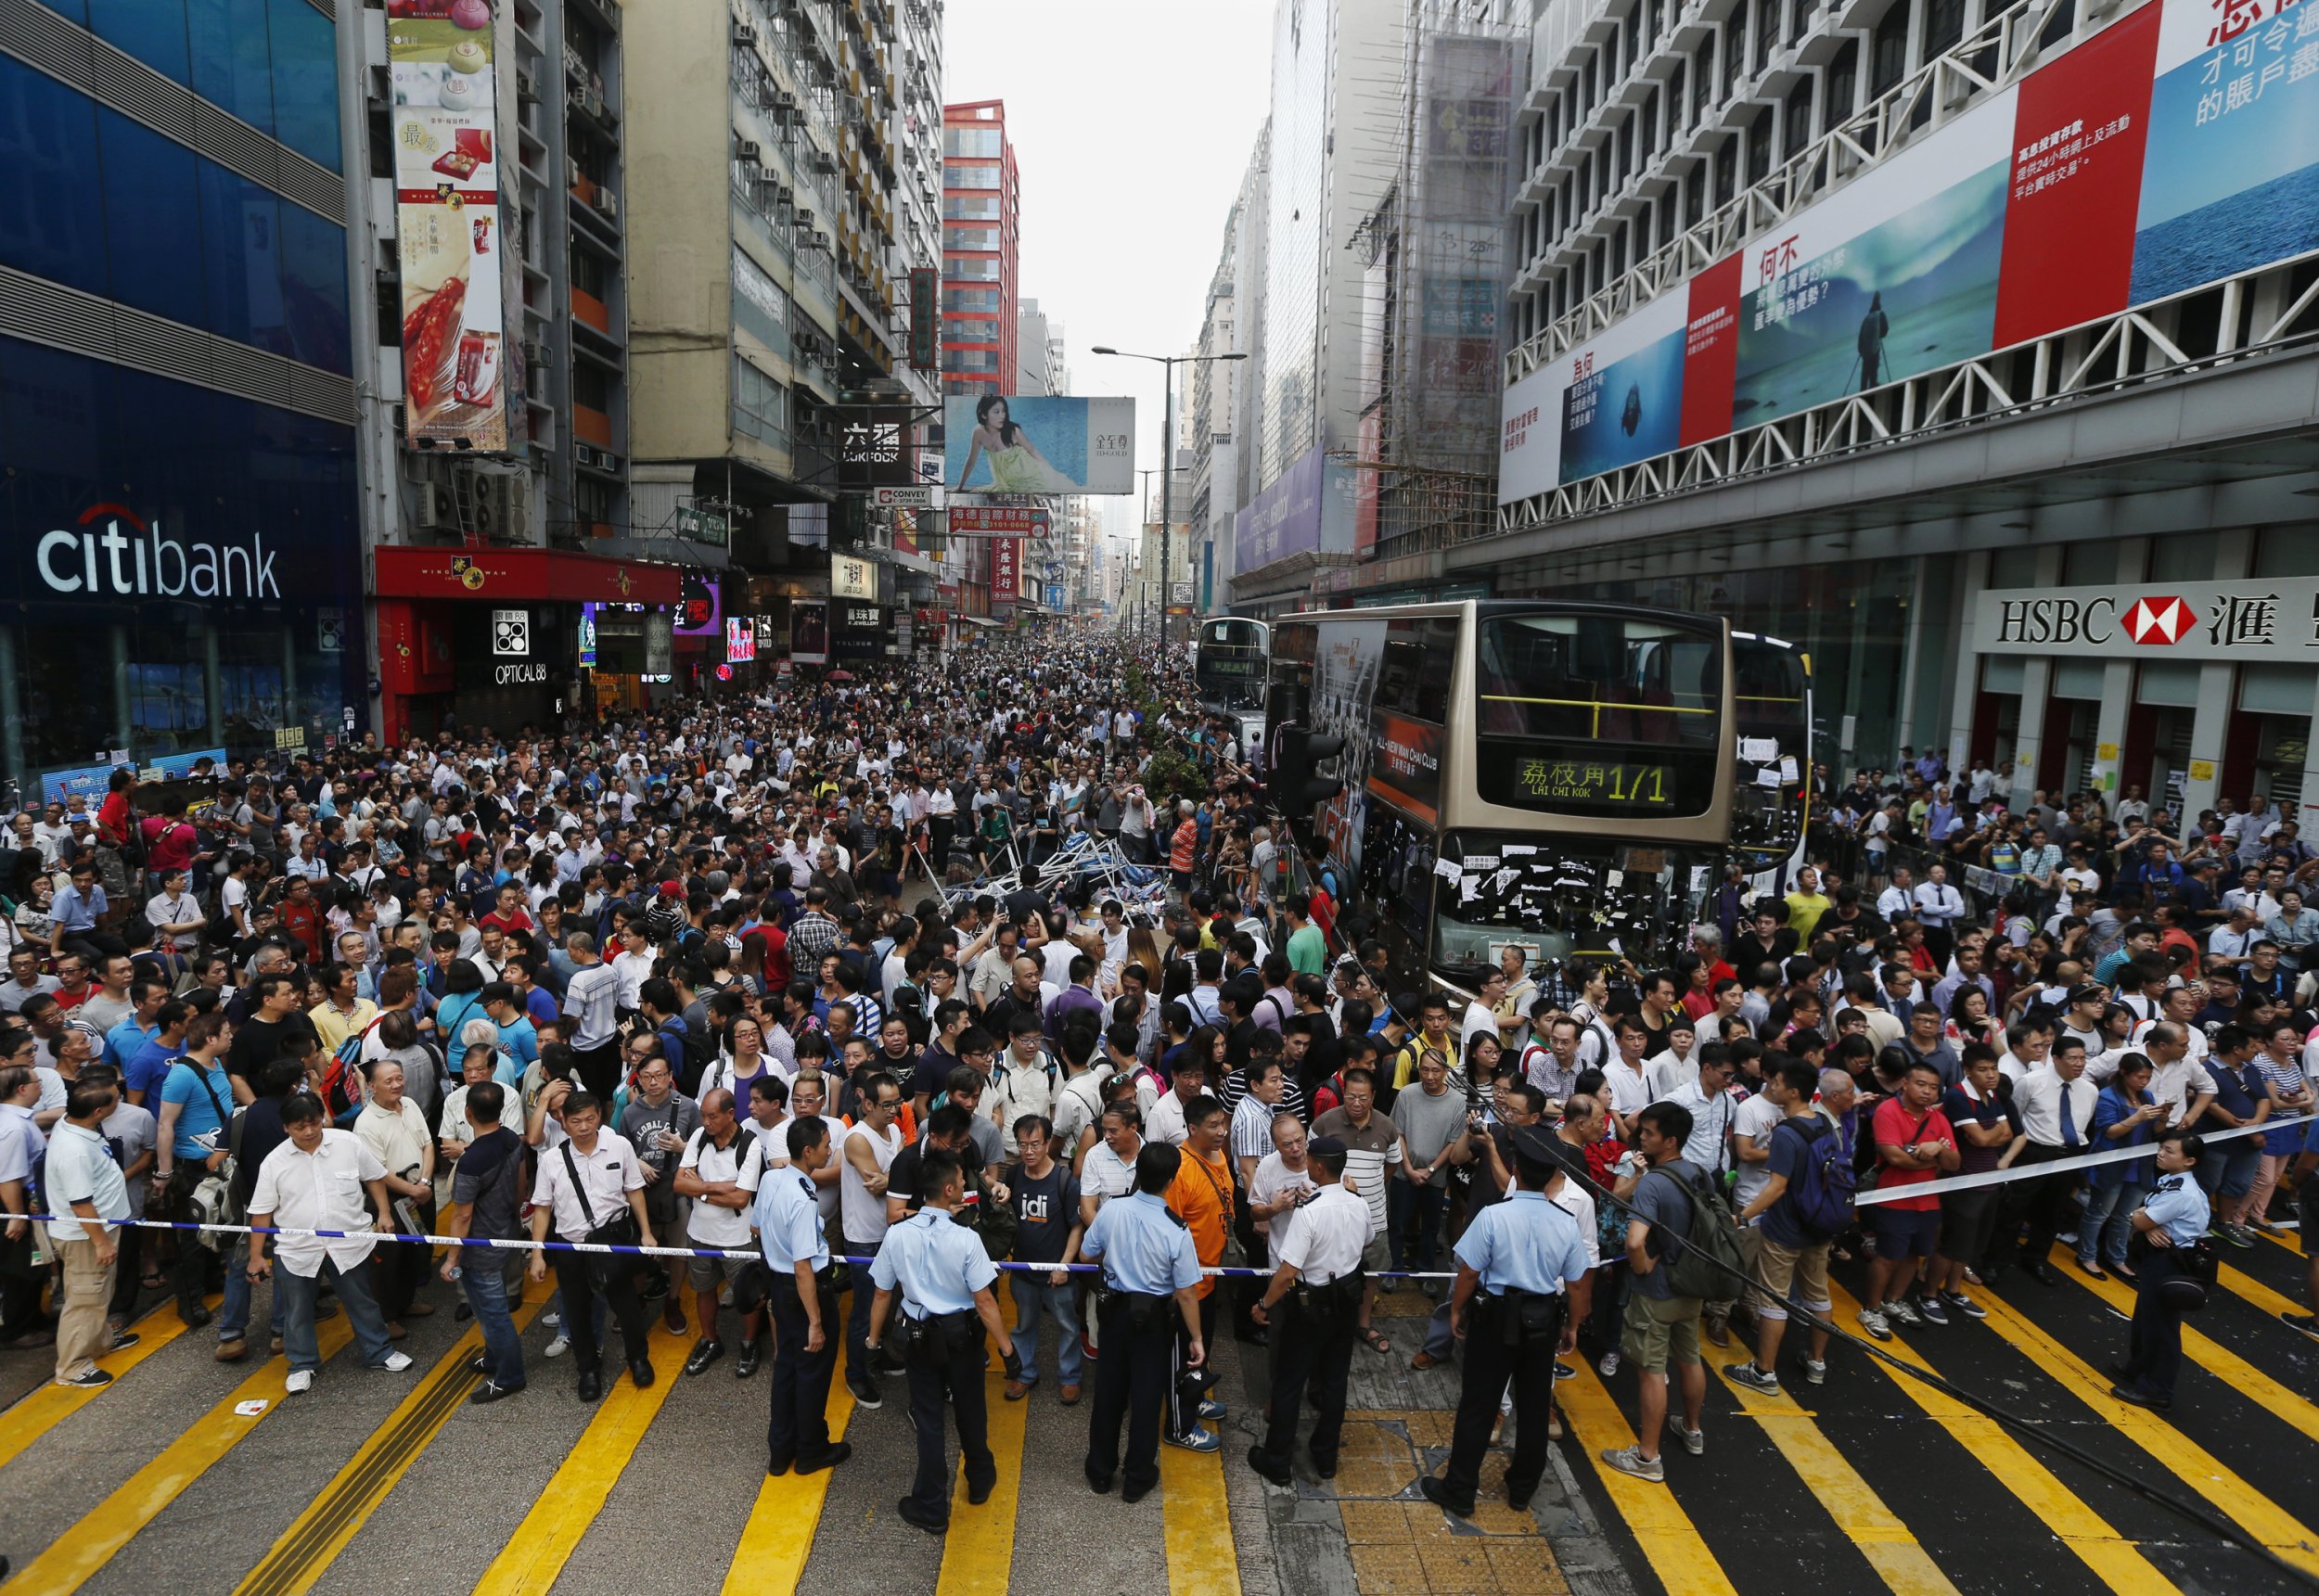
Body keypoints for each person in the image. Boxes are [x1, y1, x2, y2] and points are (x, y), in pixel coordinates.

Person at [1417, 1125, 1592, 1517]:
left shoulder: (1494, 1216)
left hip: (1495, 1316)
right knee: (1533, 1407)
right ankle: (1521, 1490)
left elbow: (1468, 1272)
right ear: (1552, 1174)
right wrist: (1573, 1325)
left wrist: (1458, 1310)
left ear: (1514, 1167)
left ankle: (1460, 1488)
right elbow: (1579, 1284)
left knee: (1479, 1404)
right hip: (1543, 1318)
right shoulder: (1566, 1222)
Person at [865, 1147, 1019, 1534]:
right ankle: (980, 1479)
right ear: (949, 1189)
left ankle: (932, 1505)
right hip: (963, 1339)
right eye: (962, 1182)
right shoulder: (967, 1240)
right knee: (971, 1411)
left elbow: (882, 1294)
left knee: (930, 1421)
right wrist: (1007, 1349)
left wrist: (871, 1342)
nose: (967, 1185)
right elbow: (984, 1301)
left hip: (918, 1340)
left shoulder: (897, 1235)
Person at [243, 1092, 416, 1395]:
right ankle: (301, 1364)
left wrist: (385, 1212)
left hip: (349, 1245)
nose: (309, 1132)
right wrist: (256, 1256)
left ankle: (378, 1352)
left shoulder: (347, 1144)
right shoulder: (274, 1163)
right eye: (299, 1127)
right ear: (286, 1128)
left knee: (363, 1301)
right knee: (296, 1311)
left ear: (323, 1117)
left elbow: (374, 1176)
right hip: (297, 1251)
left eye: (314, 1123)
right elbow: (261, 1213)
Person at [1080, 1142, 1208, 1501]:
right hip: (1154, 1321)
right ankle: (1137, 1478)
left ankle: (1100, 1471)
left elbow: (1087, 1253)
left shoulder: (1112, 1211)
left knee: (1108, 1393)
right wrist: (1196, 1337)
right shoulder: (1176, 1230)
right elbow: (1185, 1292)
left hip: (1114, 1312)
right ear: (1171, 1179)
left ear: (1138, 1172)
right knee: (1148, 1398)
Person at [1246, 1132, 1368, 1487]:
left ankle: (1278, 1459)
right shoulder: (1358, 1203)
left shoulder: (1309, 1212)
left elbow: (1287, 1273)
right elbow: (1369, 1240)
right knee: (1334, 1381)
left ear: (1316, 1166)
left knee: (1288, 1382)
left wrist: (1262, 1304)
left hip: (1310, 1305)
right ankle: (1326, 1457)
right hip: (1346, 1302)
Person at [526, 1089, 659, 1402]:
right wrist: (537, 1254)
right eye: (576, 1121)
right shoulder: (552, 1159)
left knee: (627, 1306)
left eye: (590, 1119)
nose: (584, 1126)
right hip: (571, 1247)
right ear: (563, 1122)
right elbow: (542, 1209)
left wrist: (646, 1233)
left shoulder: (619, 1146)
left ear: (599, 1116)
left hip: (613, 1242)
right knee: (577, 1311)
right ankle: (587, 1369)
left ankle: (638, 1359)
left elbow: (635, 1191)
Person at [1601, 1102, 1708, 1481]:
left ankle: (1647, 1457)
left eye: (1648, 1133)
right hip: (1692, 1285)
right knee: (1690, 1357)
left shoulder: (1653, 1182)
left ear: (1670, 1140)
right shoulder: (1698, 1174)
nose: (1640, 1138)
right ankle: (1692, 1429)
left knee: (1651, 1370)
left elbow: (1634, 1241)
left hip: (1656, 1292)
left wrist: (1643, 1265)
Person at [755, 1116, 851, 1476]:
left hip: (779, 1289)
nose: (830, 1151)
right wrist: (816, 1322)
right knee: (812, 1372)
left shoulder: (770, 1179)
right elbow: (803, 1268)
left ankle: (780, 1451)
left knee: (786, 1370)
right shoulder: (804, 1199)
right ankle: (811, 1449)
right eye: (827, 1145)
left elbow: (757, 1225)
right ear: (808, 1151)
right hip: (805, 1292)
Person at [42, 1076, 136, 1387]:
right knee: (85, 1298)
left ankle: (99, 1341)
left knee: (97, 1294)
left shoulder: (75, 1126)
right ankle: (73, 1366)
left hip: (100, 1230)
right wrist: (101, 1243)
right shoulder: (75, 1151)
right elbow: (81, 1203)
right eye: (114, 1098)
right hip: (87, 1237)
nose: (119, 1100)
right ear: (98, 1111)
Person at [2108, 1130, 2210, 1412]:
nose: (2161, 1154)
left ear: (2189, 1161)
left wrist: (2145, 1223)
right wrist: (2146, 1221)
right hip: (2159, 1257)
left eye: (2169, 1151)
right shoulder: (2170, 1180)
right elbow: (2144, 1214)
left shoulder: (2182, 1194)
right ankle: (2138, 1367)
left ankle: (2157, 1389)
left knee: (2161, 1327)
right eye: (2161, 1148)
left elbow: (2140, 1219)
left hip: (2169, 1261)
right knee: (2145, 1317)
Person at [440, 1081, 528, 1402]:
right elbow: (521, 1180)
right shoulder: (510, 1139)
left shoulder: (472, 1160)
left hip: (480, 1246)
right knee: (487, 1307)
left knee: (493, 1313)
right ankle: (492, 1358)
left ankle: (509, 1375)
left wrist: (451, 1259)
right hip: (505, 1230)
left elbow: (462, 1216)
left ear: (468, 1112)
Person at [673, 1086, 768, 1378]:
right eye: (703, 1116)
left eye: (712, 1117)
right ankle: (711, 1340)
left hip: (737, 1237)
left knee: (746, 1295)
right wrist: (720, 1186)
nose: (706, 1123)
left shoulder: (750, 1144)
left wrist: (699, 1188)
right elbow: (679, 1183)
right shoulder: (700, 1138)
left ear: (730, 1114)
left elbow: (741, 1198)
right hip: (699, 1232)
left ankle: (749, 1342)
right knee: (703, 1290)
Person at [1004, 1113, 1084, 1403]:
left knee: (1068, 1326)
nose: (1028, 1152)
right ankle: (1025, 1373)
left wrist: (1063, 1265)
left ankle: (1070, 1377)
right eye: (1023, 1145)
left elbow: (1077, 1228)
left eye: (1035, 1144)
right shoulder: (1013, 1176)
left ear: (1049, 1142)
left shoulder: (1064, 1181)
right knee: (1024, 1324)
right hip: (1023, 1271)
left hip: (1057, 1274)